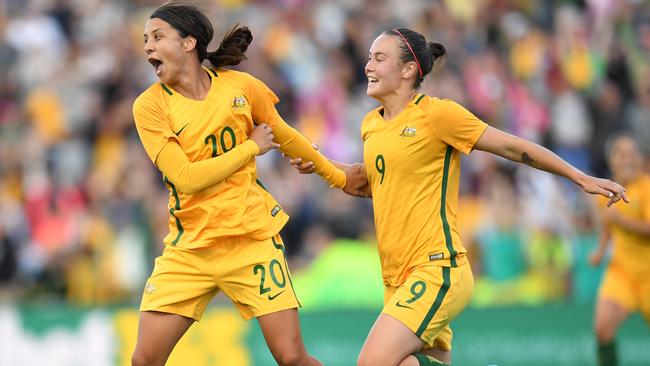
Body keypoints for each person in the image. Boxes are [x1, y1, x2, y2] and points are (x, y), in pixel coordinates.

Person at [289, 28, 628, 366]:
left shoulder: (437, 115)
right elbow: (366, 181)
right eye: (368, 58)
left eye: (379, 58)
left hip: (437, 269)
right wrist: (319, 164)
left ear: (408, 70)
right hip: (397, 278)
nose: (368, 66)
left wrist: (579, 177)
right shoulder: (370, 125)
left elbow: (511, 146)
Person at [130, 2, 366, 366]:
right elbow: (186, 178)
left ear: (189, 43)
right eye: (146, 39)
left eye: (158, 37)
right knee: (144, 361)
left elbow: (285, 135)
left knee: (292, 358)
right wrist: (251, 148)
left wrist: (337, 175)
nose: (147, 46)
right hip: (191, 247)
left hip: (251, 239)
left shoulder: (241, 88)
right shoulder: (150, 107)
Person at [589, 134, 650, 366]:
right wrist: (600, 250)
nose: (627, 159)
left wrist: (621, 220)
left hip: (648, 274)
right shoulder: (605, 190)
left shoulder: (646, 188)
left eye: (631, 154)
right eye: (621, 154)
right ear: (611, 160)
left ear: (639, 160)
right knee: (602, 329)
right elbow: (608, 226)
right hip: (622, 271)